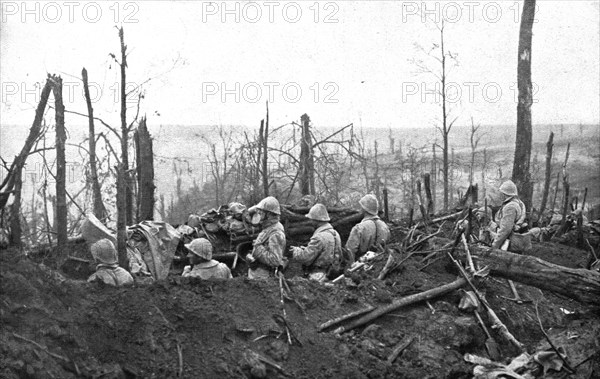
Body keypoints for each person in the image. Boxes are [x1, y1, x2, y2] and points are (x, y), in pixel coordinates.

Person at [289, 204, 341, 282]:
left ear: (317, 220)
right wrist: (304, 249)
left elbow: (305, 258)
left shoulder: (319, 237)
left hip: (317, 276)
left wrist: (296, 250)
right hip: (332, 274)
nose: (311, 221)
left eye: (312, 219)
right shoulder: (335, 233)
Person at [246, 196, 286, 279]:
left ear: (269, 214)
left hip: (264, 276)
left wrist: (258, 248)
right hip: (258, 273)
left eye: (261, 213)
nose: (259, 215)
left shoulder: (276, 232)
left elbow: (275, 260)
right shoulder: (268, 227)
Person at [345, 194, 390, 261]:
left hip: (361, 266)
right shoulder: (385, 226)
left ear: (364, 209)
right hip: (381, 263)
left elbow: (349, 250)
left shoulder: (359, 228)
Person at [490, 180, 529, 251]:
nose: (500, 195)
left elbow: (505, 230)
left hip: (509, 243)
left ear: (505, 193)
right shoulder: (520, 203)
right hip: (517, 240)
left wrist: (494, 245)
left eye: (502, 193)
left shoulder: (510, 207)